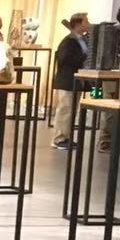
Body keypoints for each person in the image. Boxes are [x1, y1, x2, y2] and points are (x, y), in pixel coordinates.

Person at [52, 12, 90, 150]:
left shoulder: (81, 40)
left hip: (76, 81)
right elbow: (64, 60)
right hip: (67, 80)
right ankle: (59, 138)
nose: (88, 23)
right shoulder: (68, 41)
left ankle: (66, 136)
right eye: (86, 21)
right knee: (65, 109)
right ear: (79, 24)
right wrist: (82, 58)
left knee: (71, 110)